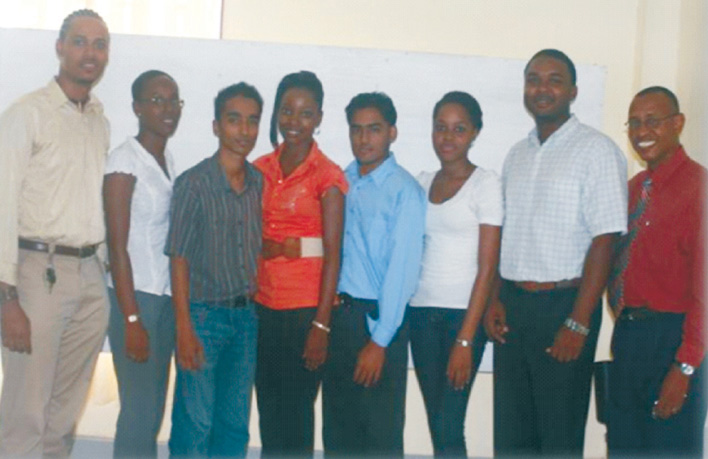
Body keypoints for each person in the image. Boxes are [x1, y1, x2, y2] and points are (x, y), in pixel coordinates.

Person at [483, 49, 627, 456]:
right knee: (512, 435)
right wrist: (495, 298)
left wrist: (578, 322)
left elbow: (606, 240)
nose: (542, 89)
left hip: (565, 306)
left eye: (554, 80)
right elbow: (508, 235)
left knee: (558, 436)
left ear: (573, 91)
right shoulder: (517, 154)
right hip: (514, 305)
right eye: (533, 79)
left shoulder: (597, 150)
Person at [0, 9, 111, 457]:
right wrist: (7, 297)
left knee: (63, 418)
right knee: (26, 412)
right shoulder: (27, 114)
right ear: (60, 47)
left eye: (100, 44)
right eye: (80, 41)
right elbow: (2, 203)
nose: (91, 53)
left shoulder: (98, 121)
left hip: (89, 274)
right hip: (36, 274)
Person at [323, 92, 426, 457]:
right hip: (340, 317)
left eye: (374, 129)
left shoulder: (404, 192)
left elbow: (402, 274)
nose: (364, 138)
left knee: (378, 436)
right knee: (339, 431)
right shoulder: (341, 181)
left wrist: (380, 341)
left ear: (392, 133)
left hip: (379, 322)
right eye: (356, 129)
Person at [606, 86, 707, 456]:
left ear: (678, 123)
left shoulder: (700, 189)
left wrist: (684, 367)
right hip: (629, 336)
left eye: (652, 121)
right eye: (634, 123)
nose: (641, 131)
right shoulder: (633, 190)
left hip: (674, 342)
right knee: (623, 447)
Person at [165, 83, 263, 458]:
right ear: (216, 126)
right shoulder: (193, 184)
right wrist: (183, 328)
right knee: (196, 424)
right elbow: (179, 257)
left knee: (234, 426)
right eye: (234, 120)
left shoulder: (259, 182)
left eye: (252, 121)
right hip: (202, 317)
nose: (244, 130)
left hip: (246, 319)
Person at [253, 70, 346, 458]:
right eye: (287, 111)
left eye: (306, 113)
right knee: (269, 415)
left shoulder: (327, 175)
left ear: (319, 118)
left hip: (305, 313)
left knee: (295, 419)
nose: (295, 121)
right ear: (276, 113)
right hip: (262, 308)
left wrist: (321, 326)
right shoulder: (259, 168)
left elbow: (334, 254)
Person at [408, 91, 502, 458]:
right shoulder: (421, 182)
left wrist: (465, 339)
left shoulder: (485, 184)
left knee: (449, 425)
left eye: (459, 129)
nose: (448, 137)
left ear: (475, 132)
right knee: (438, 424)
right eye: (441, 128)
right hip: (420, 314)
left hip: (463, 319)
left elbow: (488, 268)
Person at [103, 70, 182, 458]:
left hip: (164, 299)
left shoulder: (166, 158)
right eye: (156, 100)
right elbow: (116, 247)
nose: (167, 109)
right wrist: (132, 319)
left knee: (152, 412)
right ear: (137, 107)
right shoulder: (124, 161)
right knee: (138, 412)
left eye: (173, 100)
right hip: (135, 300)